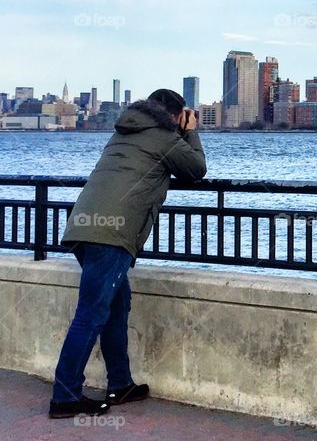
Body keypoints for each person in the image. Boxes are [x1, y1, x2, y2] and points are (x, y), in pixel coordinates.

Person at [49, 89, 207, 419]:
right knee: (91, 313)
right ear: (176, 115)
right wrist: (190, 131)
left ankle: (120, 383)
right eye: (181, 117)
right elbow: (195, 169)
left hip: (83, 226)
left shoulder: (123, 131)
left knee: (116, 304)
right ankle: (64, 397)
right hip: (112, 235)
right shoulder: (165, 137)